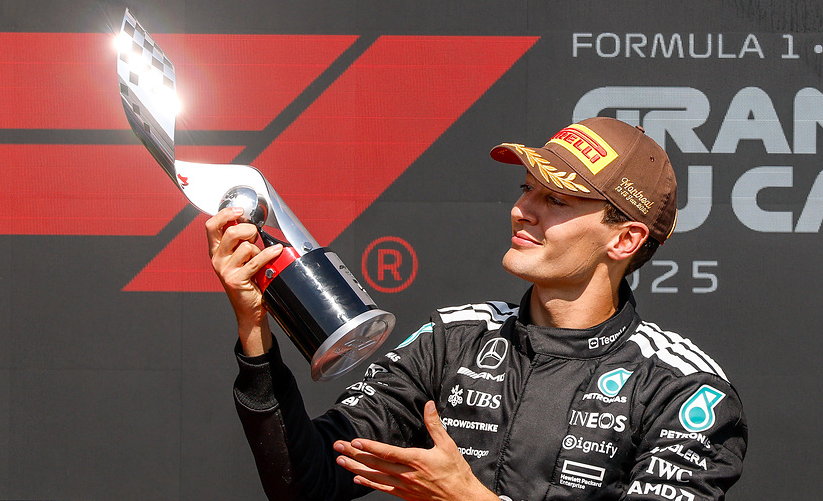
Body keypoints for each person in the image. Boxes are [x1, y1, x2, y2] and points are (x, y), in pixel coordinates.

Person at [206, 117, 746, 501]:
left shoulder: (682, 390)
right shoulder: (455, 339)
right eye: (526, 189)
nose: (522, 210)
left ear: (624, 240)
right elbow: (308, 483)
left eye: (555, 200)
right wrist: (256, 332)